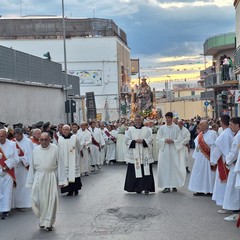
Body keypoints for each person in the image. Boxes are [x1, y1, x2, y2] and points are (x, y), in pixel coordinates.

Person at [26, 132, 67, 231]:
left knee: (50, 201)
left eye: (45, 139)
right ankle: (42, 219)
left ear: (49, 139)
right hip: (38, 177)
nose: (43, 142)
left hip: (51, 177)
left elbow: (60, 165)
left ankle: (48, 223)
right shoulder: (35, 150)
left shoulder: (55, 149)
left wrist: (61, 180)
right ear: (39, 140)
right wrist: (30, 181)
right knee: (37, 200)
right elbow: (32, 166)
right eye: (41, 140)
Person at [124, 115, 155, 195]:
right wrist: (134, 141)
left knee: (146, 170)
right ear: (134, 121)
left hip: (144, 153)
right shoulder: (130, 130)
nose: (137, 121)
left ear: (141, 121)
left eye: (139, 120)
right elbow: (126, 140)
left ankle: (146, 188)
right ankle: (137, 188)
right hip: (134, 154)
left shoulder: (147, 129)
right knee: (134, 171)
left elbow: (151, 139)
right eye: (136, 120)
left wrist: (143, 141)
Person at [157, 112, 185, 193]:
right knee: (165, 168)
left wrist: (173, 141)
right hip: (164, 150)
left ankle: (173, 184)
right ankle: (166, 186)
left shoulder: (176, 128)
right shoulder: (162, 128)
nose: (167, 119)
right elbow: (158, 139)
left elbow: (180, 139)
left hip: (173, 150)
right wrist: (164, 140)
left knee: (174, 167)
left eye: (169, 117)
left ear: (172, 118)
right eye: (166, 117)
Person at [188, 120, 218, 196]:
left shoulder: (212, 134)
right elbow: (197, 145)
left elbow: (214, 147)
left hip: (208, 158)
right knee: (199, 174)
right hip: (200, 158)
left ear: (205, 126)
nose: (199, 127)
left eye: (201, 125)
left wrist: (213, 159)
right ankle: (199, 189)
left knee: (208, 174)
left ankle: (209, 190)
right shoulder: (200, 134)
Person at [210, 115, 233, 211]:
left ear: (222, 122)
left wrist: (213, 161)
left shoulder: (224, 134)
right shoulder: (231, 133)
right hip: (230, 160)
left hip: (223, 161)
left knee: (223, 184)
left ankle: (225, 204)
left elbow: (218, 149)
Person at [222, 117, 240, 222]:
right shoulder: (237, 135)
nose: (230, 126)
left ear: (238, 125)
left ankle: (236, 212)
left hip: (235, 165)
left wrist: (227, 161)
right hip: (235, 164)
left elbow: (234, 152)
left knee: (234, 190)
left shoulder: (238, 136)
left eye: (232, 124)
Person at [12, 128, 33, 210]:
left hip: (25, 168)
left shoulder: (28, 142)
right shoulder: (13, 142)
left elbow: (30, 156)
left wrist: (21, 159)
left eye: (17, 136)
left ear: (21, 134)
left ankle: (26, 203)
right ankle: (17, 204)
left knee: (25, 186)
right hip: (16, 168)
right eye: (15, 136)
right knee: (17, 186)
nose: (16, 138)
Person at [0, 129, 19, 219]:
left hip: (8, 172)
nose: (0, 138)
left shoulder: (12, 144)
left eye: (2, 136)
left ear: (6, 136)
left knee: (7, 191)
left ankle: (5, 210)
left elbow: (16, 159)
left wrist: (6, 167)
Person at [58, 125, 82, 196]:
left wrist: (76, 155)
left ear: (69, 130)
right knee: (67, 176)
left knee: (74, 175)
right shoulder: (60, 139)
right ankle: (69, 190)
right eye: (63, 129)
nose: (65, 131)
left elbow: (79, 147)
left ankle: (76, 189)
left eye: (66, 129)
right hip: (64, 160)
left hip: (73, 160)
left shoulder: (74, 138)